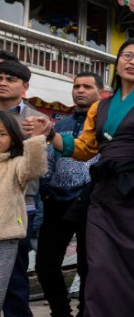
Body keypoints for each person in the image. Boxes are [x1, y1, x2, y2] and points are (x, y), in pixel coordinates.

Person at [46, 38, 134, 316]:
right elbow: (84, 150)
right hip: (105, 194)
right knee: (99, 264)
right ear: (117, 63)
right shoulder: (100, 106)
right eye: (127, 56)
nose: (133, 61)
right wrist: (50, 135)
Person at [37, 72, 103, 317]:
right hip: (56, 199)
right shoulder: (61, 123)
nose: (80, 90)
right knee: (45, 264)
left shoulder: (104, 122)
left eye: (87, 86)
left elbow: (103, 159)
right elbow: (50, 157)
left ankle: (85, 311)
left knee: (89, 266)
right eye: (76, 86)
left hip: (91, 202)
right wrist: (46, 189)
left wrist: (93, 191)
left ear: (100, 91)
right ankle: (60, 312)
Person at [0, 58, 47, 317]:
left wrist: (38, 137)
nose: (2, 83)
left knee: (13, 279)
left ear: (24, 86)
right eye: (0, 77)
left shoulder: (35, 120)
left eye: (10, 79)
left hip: (21, 207)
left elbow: (40, 169)